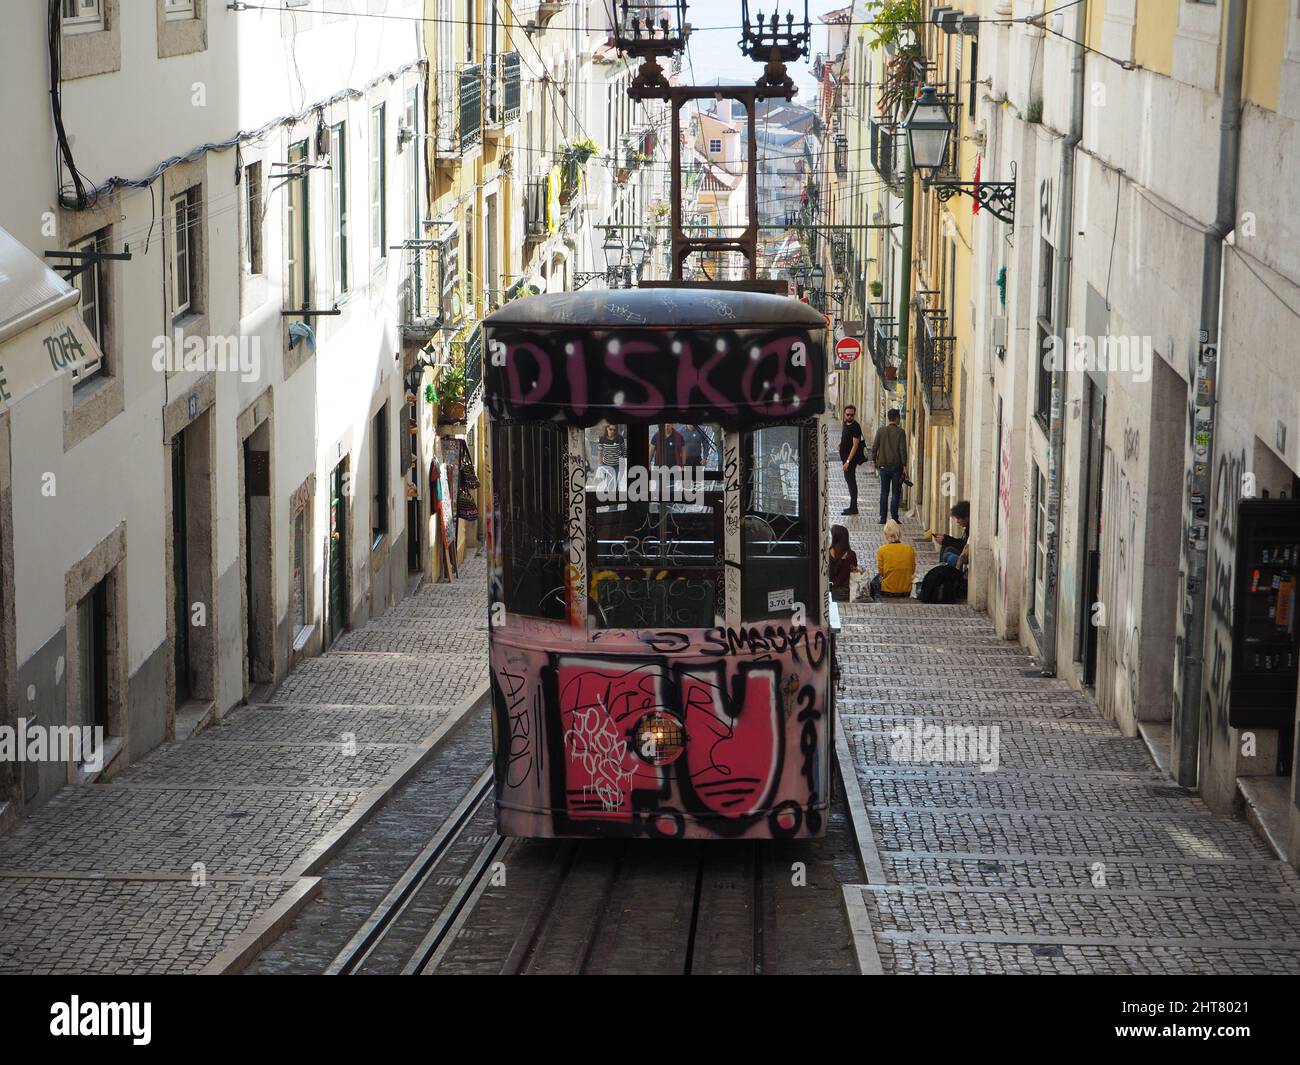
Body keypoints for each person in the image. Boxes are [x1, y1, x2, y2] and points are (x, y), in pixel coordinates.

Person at [871, 408, 908, 525]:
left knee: (884, 492)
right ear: (896, 418)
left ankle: (882, 518)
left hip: (883, 467)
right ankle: (894, 518)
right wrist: (905, 465)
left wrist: (874, 460)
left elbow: (874, 446)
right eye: (899, 418)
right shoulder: (900, 432)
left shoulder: (881, 431)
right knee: (896, 493)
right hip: (896, 467)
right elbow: (902, 450)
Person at [870, 519, 916, 599]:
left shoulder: (882, 550)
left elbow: (881, 572)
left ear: (886, 535)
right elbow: (912, 570)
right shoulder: (909, 549)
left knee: (874, 581)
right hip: (906, 590)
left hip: (888, 590)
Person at [838, 405, 866, 515]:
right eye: (847, 414)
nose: (849, 416)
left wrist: (848, 462)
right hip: (844, 457)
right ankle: (852, 506)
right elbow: (845, 436)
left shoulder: (856, 427)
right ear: (844, 414)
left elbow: (855, 445)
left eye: (851, 415)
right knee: (849, 481)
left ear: (854, 415)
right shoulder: (845, 423)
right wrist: (841, 444)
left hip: (850, 460)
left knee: (851, 482)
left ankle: (854, 507)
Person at [828, 524, 860, 602]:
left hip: (831, 590)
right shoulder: (851, 554)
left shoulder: (827, 553)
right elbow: (854, 571)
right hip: (847, 591)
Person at [937, 500, 970, 571]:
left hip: (965, 559)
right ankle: (940, 569)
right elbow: (961, 542)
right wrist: (946, 539)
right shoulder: (967, 528)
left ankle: (942, 570)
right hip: (962, 555)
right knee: (945, 547)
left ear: (966, 518)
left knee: (948, 553)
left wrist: (947, 540)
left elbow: (962, 546)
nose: (957, 521)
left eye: (958, 518)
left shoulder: (970, 529)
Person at [596, 423, 625, 491]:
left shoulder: (619, 438)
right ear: (607, 428)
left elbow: (624, 451)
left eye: (614, 430)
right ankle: (609, 497)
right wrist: (600, 465)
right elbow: (600, 452)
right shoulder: (602, 439)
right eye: (611, 429)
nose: (612, 431)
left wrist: (624, 463)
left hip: (617, 465)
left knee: (616, 483)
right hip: (606, 465)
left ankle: (616, 497)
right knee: (609, 483)